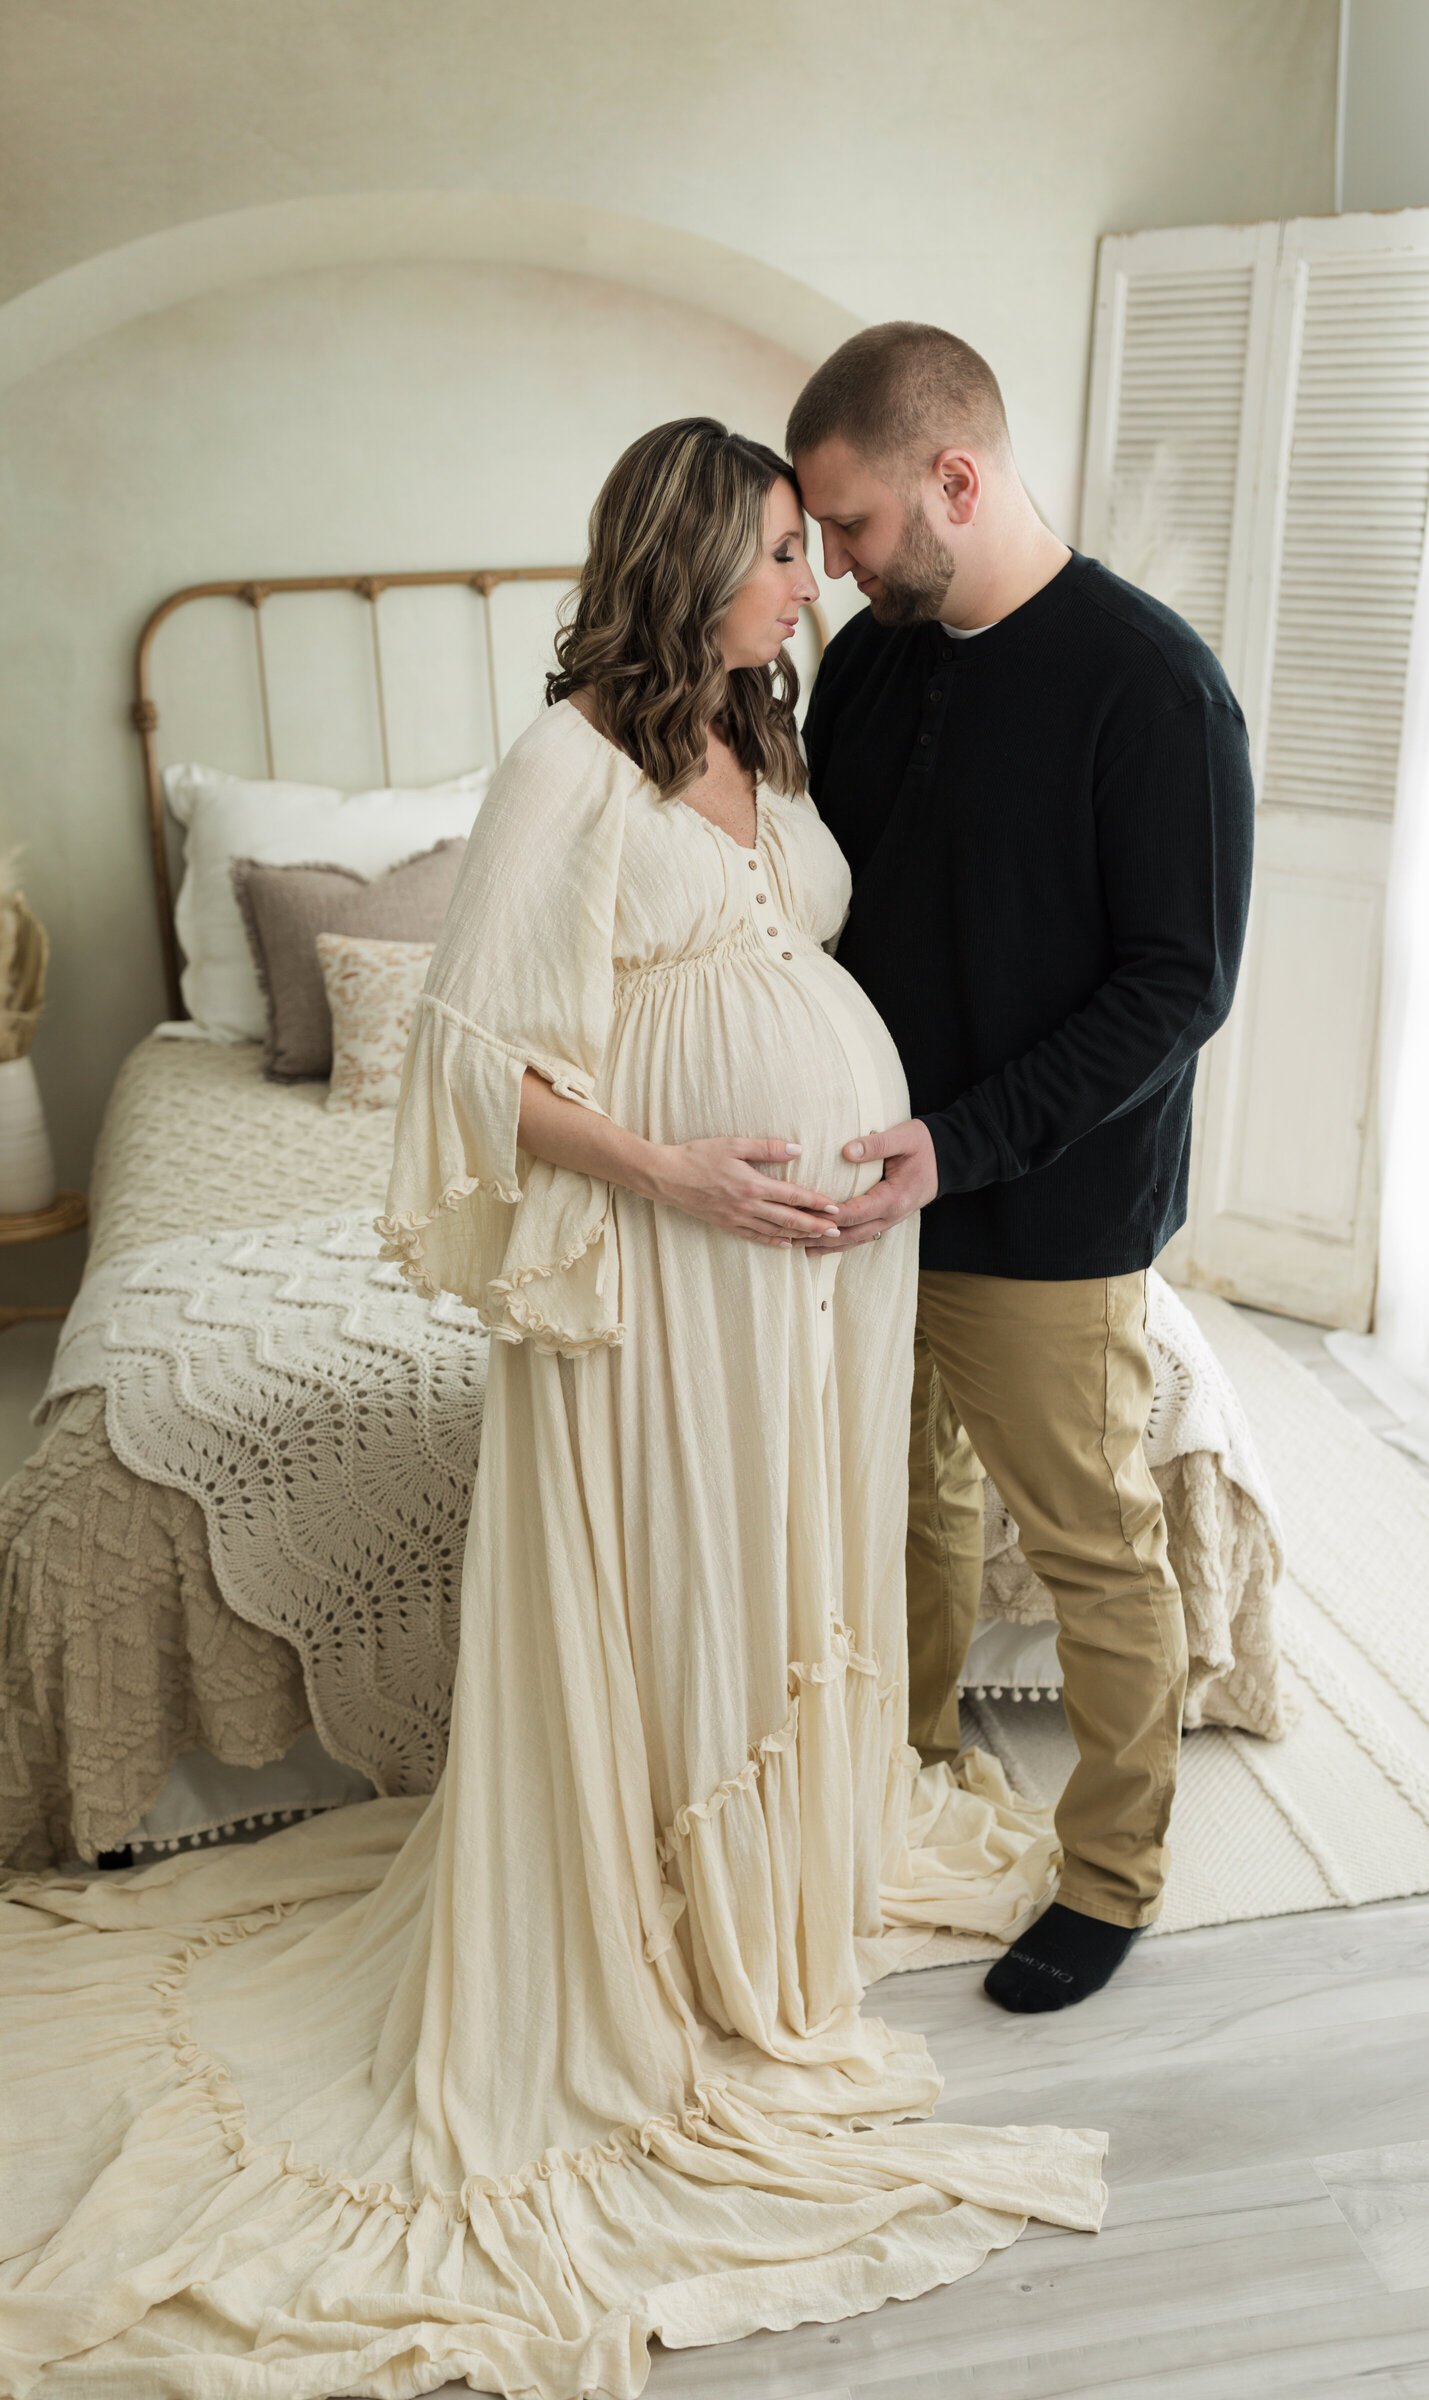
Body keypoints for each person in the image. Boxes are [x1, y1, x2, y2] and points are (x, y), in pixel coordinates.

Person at [0, 419, 1105, 2399]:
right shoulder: (566, 766)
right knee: (674, 1570)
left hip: (824, 1258)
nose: (810, 578)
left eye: (810, 542)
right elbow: (466, 1062)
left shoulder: (764, 739)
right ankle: (652, 1917)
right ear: (686, 561)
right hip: (671, 1251)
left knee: (782, 1552)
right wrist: (678, 1171)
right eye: (778, 549)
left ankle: (766, 1883)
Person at [789, 325, 1254, 2013]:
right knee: (902, 1503)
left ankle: (1114, 1872)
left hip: (1043, 1205)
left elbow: (1176, 986)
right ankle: (908, 1772)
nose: (831, 563)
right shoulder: (873, 664)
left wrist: (960, 1145)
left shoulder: (1154, 685)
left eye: (848, 527)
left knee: (1093, 1544)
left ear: (956, 480)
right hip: (861, 1183)